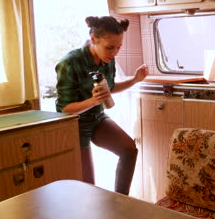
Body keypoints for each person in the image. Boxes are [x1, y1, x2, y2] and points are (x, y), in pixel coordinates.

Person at [55, 16, 148, 195]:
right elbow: (65, 109)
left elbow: (110, 88)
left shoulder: (107, 59)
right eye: (110, 47)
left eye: (119, 47)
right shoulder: (69, 63)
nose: (114, 53)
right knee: (88, 186)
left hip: (97, 118)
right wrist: (93, 101)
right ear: (93, 40)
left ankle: (121, 200)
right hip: (74, 123)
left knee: (129, 150)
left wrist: (135, 80)